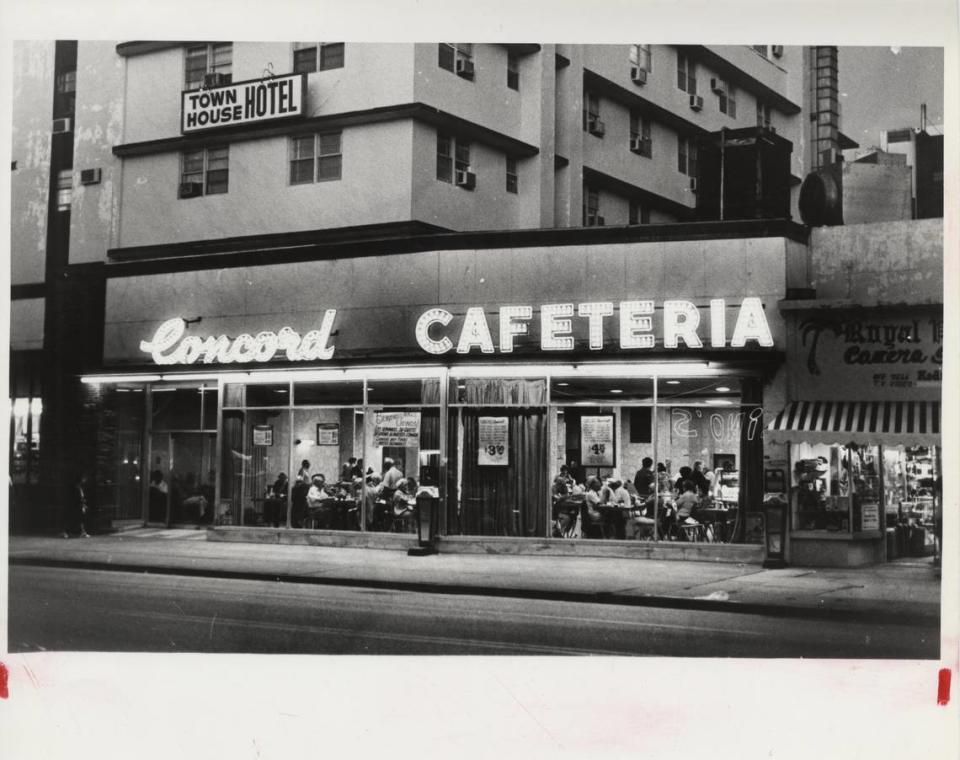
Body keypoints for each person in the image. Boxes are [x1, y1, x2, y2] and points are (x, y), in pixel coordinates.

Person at [63, 472, 91, 538]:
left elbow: (81, 496)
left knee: (81, 519)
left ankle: (82, 532)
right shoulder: (76, 487)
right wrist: (82, 504)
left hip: (79, 505)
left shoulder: (80, 487)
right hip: (77, 505)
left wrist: (83, 504)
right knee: (75, 519)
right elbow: (76, 497)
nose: (85, 480)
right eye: (84, 479)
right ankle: (66, 532)